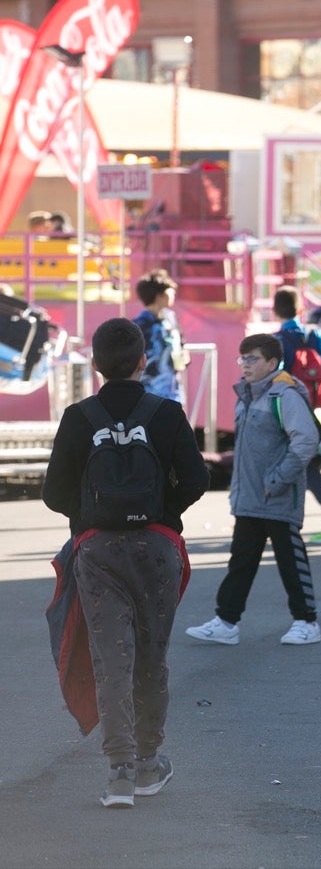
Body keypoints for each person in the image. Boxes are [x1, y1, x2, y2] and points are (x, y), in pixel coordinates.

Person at [43, 317, 209, 808]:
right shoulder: (166, 412)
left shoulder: (79, 416)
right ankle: (148, 764)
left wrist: (91, 517)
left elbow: (54, 492)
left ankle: (118, 772)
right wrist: (162, 511)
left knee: (110, 657)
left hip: (97, 552)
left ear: (94, 365)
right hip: (156, 549)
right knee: (151, 657)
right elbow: (197, 479)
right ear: (143, 361)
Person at [186, 333, 321, 648]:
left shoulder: (284, 396)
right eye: (242, 358)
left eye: (253, 359)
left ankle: (306, 621)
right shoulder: (249, 394)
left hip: (277, 497)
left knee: (291, 561)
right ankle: (226, 622)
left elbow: (305, 441)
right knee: (241, 562)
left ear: (272, 363)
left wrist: (277, 479)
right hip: (249, 498)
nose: (245, 365)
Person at [272, 287, 321, 545]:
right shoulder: (312, 335)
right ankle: (288, 524)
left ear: (275, 311)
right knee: (306, 469)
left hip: (291, 416)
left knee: (301, 470)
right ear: (300, 309)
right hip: (317, 413)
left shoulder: (277, 341)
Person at [133, 270, 189, 403]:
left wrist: (184, 354)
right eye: (170, 291)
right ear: (159, 295)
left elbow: (180, 342)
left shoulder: (171, 318)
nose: (174, 293)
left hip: (171, 388)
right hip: (148, 390)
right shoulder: (140, 324)